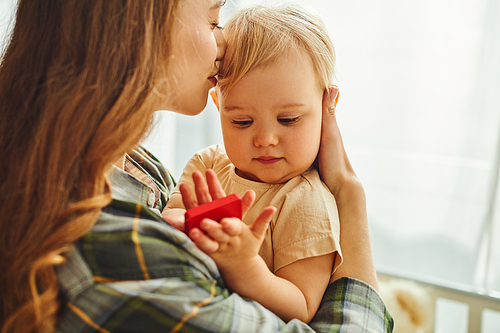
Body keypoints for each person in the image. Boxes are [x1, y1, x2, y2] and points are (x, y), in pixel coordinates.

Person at [0, 1, 393, 333]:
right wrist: (350, 196)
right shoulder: (111, 263)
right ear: (138, 29)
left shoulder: (134, 168)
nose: (223, 42)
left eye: (287, 119)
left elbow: (300, 302)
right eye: (211, 19)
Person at [163, 4, 342, 323]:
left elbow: (302, 307)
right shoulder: (208, 164)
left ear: (328, 105)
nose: (266, 139)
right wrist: (187, 221)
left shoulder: (305, 202)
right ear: (219, 105)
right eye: (242, 121)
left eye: (288, 119)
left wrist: (247, 269)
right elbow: (171, 213)